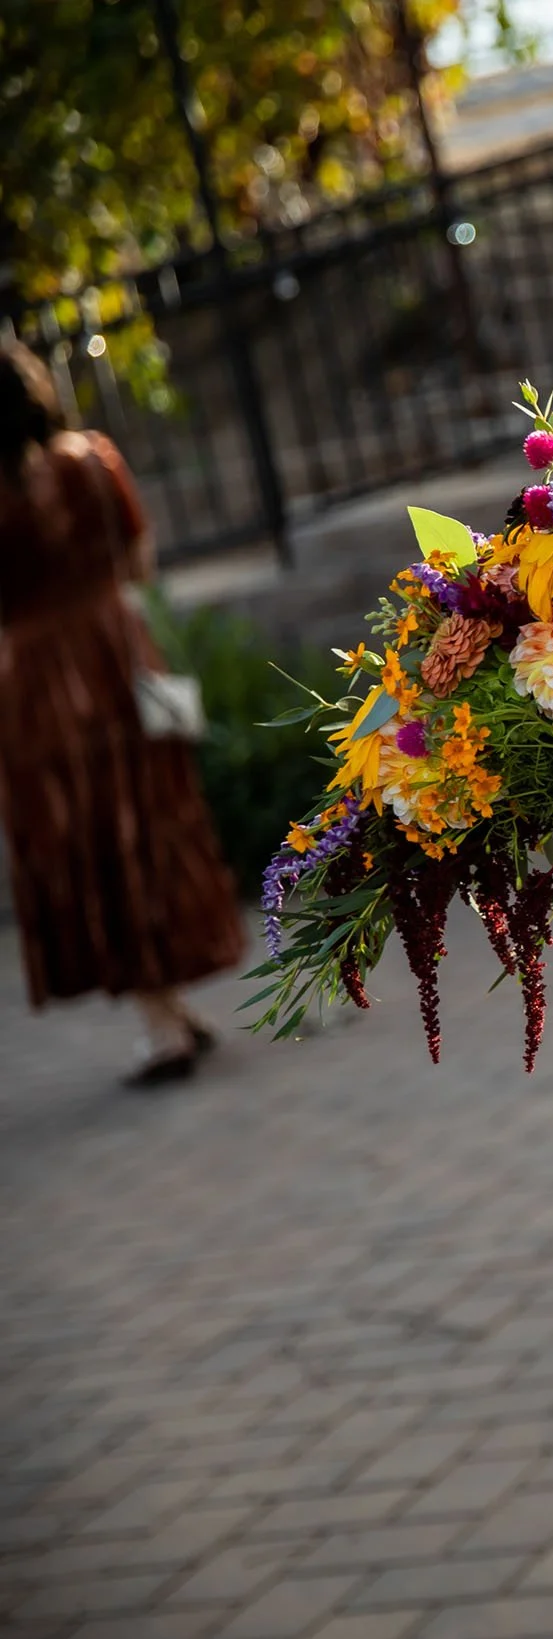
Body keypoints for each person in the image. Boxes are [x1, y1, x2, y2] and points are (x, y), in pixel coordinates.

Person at [0, 335, 242, 1084]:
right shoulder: (94, 461)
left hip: (40, 687)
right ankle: (176, 1010)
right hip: (124, 657)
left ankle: (163, 1025)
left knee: (90, 842)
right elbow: (139, 562)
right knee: (151, 819)